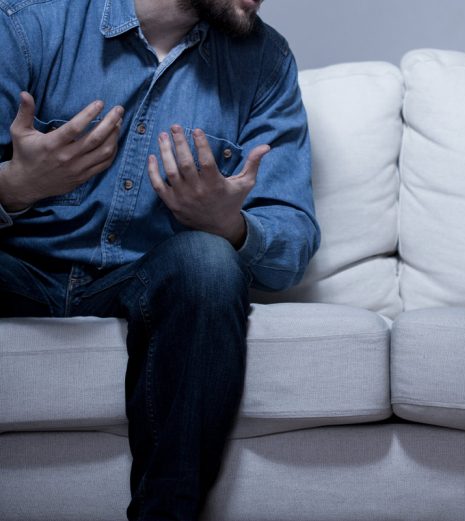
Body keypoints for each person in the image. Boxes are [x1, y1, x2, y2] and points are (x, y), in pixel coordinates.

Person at [0, 0, 320, 518]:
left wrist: (227, 224)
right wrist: (14, 187)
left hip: (139, 281)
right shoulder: (26, 24)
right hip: (16, 265)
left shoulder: (267, 60)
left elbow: (291, 245)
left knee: (209, 262)